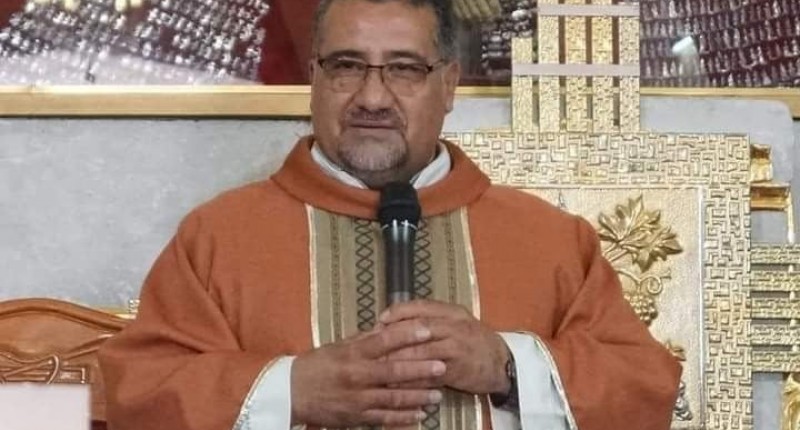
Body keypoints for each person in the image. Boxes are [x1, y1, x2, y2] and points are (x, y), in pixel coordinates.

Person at [98, 0, 682, 429]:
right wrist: (290, 390)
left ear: (449, 86)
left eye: (404, 69)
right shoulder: (219, 237)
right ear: (314, 79)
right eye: (347, 66)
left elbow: (642, 391)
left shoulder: (549, 240)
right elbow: (139, 395)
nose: (372, 98)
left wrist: (507, 367)